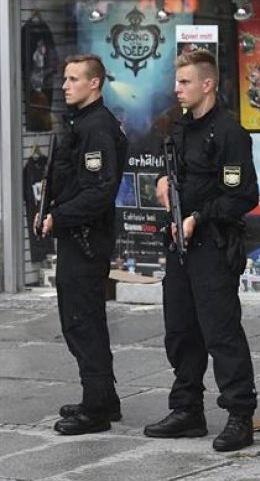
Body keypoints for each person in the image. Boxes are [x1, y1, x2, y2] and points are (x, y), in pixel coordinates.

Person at [144, 51, 258, 452]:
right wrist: (161, 182)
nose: (178, 89)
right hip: (179, 246)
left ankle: (240, 415)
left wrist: (197, 217)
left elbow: (242, 195)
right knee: (180, 331)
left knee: (221, 334)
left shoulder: (228, 132)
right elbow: (175, 173)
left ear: (207, 84)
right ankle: (187, 409)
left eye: (185, 82)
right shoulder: (179, 128)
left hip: (212, 244)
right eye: (177, 83)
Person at [39, 54, 127, 435]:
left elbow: (99, 191)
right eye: (65, 79)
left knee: (82, 321)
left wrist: (60, 217)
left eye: (74, 79)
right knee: (81, 319)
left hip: (87, 238)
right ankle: (102, 396)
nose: (65, 86)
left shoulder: (97, 129)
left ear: (94, 84)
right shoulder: (81, 124)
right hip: (75, 235)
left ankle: (97, 410)